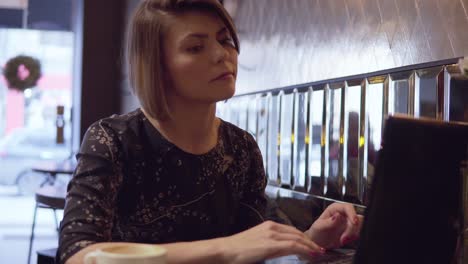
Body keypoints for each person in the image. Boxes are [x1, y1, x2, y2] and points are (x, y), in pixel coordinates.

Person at [58, 0, 362, 263]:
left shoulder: (240, 147)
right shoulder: (114, 140)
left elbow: (261, 238)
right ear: (157, 65)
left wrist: (314, 237)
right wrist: (223, 250)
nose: (221, 55)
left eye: (225, 40)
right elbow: (78, 253)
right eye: (195, 47)